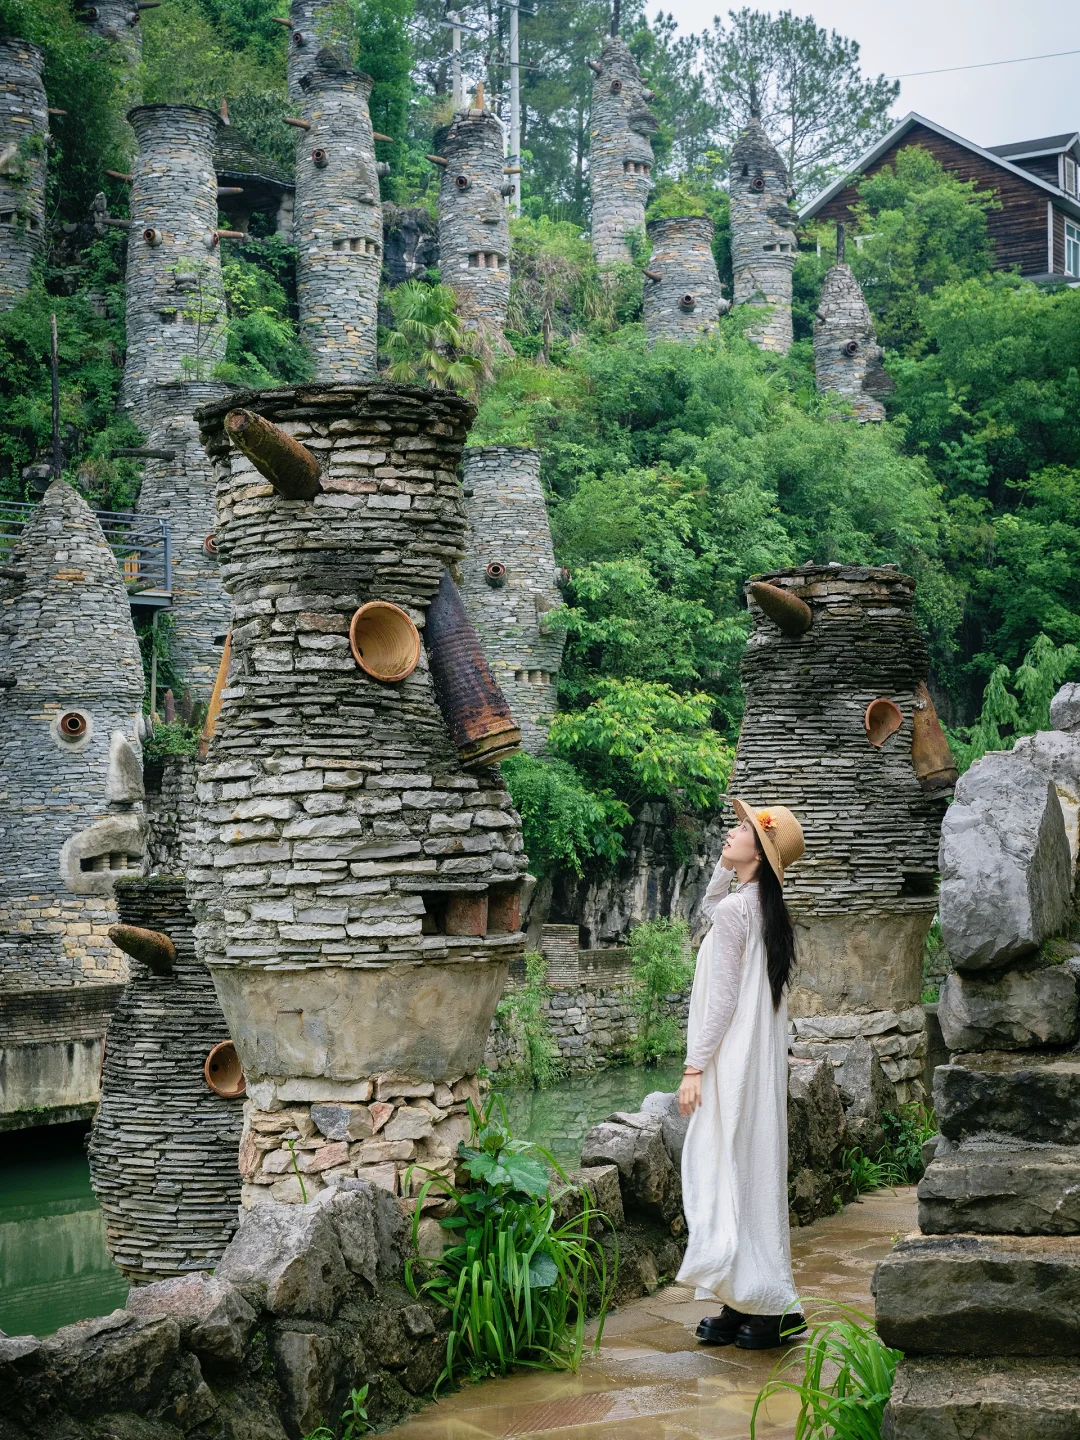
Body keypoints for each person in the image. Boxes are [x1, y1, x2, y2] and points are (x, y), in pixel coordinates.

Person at [676, 797, 806, 1350]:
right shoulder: (756, 906)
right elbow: (710, 906)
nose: (730, 834)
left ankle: (769, 1301)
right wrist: (729, 864)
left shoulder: (739, 911)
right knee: (747, 1167)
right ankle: (747, 1296)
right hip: (754, 1062)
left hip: (730, 1059)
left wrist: (693, 1067)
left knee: (726, 1165)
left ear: (761, 853)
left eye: (743, 830)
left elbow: (723, 999)